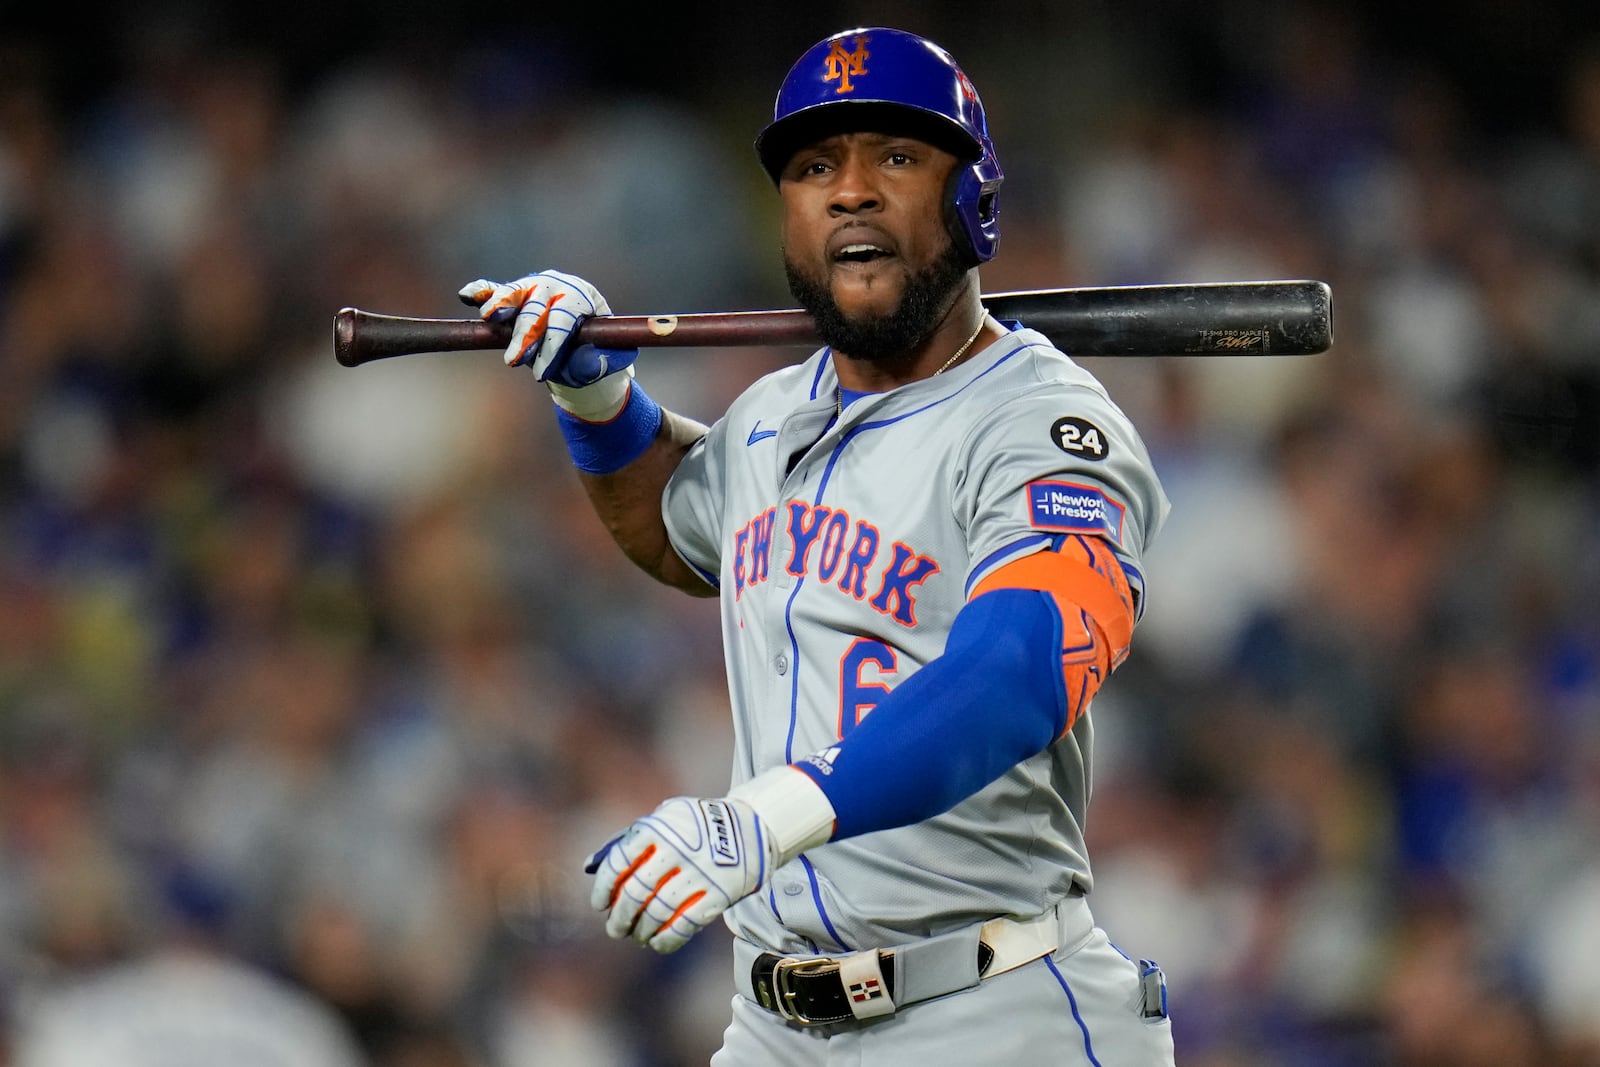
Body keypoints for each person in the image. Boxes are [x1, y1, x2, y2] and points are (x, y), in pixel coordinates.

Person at [458, 26, 1175, 1065]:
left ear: (972, 198)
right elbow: (675, 530)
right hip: (774, 1027)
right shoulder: (765, 416)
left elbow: (1026, 664)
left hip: (990, 1011)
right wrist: (595, 392)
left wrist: (771, 814)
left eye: (894, 157)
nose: (849, 192)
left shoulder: (1044, 424)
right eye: (812, 167)